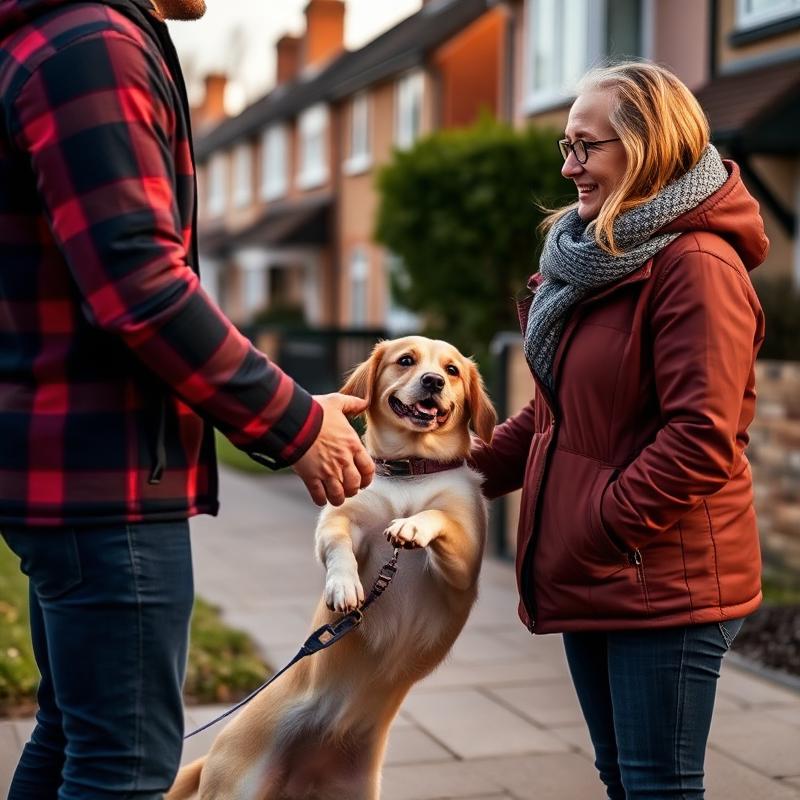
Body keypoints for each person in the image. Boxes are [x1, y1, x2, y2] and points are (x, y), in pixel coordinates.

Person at [0, 0, 374, 797]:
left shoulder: (66, 35)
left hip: (77, 473)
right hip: (103, 483)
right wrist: (295, 424)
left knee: (78, 735)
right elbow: (139, 282)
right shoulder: (91, 43)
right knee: (123, 765)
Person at [471, 61, 768, 799]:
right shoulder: (593, 257)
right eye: (565, 148)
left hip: (659, 577)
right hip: (601, 572)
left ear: (648, 147)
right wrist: (453, 474)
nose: (570, 167)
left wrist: (598, 528)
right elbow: (558, 409)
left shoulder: (695, 265)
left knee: (657, 786)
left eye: (585, 147)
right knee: (623, 780)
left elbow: (701, 437)